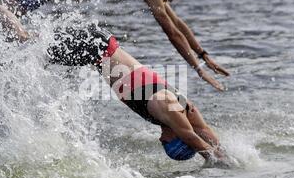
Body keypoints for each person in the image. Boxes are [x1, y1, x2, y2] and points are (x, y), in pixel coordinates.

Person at [47, 26, 232, 167]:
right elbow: (191, 136)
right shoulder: (166, 106)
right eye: (165, 143)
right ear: (177, 138)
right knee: (33, 45)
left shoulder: (183, 107)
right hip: (95, 48)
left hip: (100, 48)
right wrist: (215, 161)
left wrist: (225, 156)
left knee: (39, 42)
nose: (161, 140)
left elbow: (202, 130)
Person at [57, 0, 230, 91]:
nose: (172, 0)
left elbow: (177, 23)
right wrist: (199, 70)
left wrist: (203, 55)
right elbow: (172, 32)